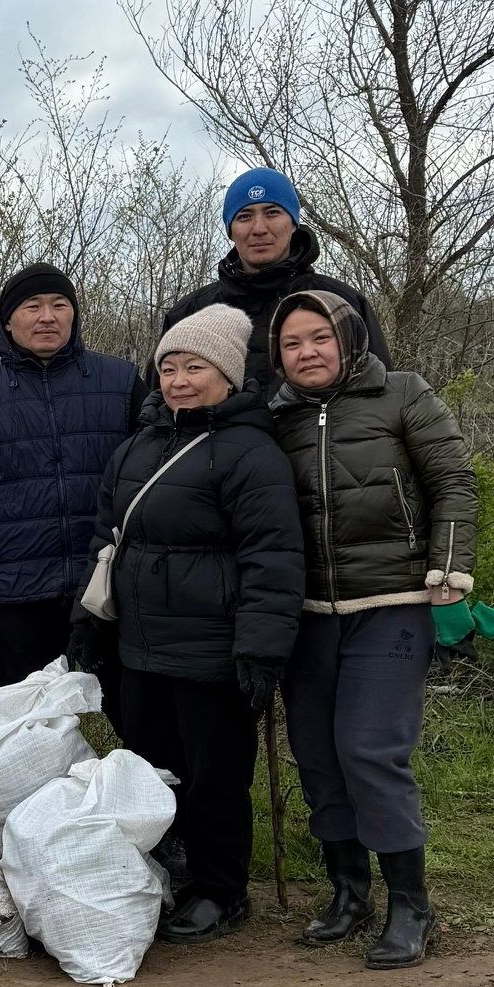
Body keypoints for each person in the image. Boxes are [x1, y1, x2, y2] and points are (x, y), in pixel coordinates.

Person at [69, 306, 304, 942]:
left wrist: (260, 648)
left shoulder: (251, 455)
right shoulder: (137, 446)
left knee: (215, 778)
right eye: (168, 366)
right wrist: (89, 622)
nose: (177, 379)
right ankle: (173, 871)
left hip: (212, 649)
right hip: (140, 646)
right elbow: (106, 537)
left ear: (227, 375)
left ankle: (221, 891)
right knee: (154, 769)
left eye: (194, 367)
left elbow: (273, 557)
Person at [268, 290, 475, 969]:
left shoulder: (403, 394)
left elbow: (450, 480)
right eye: (292, 343)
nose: (307, 352)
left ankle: (411, 904)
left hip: (392, 604)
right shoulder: (276, 418)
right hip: (308, 618)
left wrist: (448, 570)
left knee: (368, 750)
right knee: (320, 755)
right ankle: (347, 891)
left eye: (319, 338)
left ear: (348, 339)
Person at [0, 263, 142, 691]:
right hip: (14, 598)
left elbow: (152, 480)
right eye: (32, 306)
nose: (48, 316)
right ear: (8, 322)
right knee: (29, 733)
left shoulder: (121, 383)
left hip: (106, 588)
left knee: (139, 726)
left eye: (59, 305)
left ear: (74, 315)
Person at [158, 167, 389, 392]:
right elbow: (160, 407)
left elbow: (378, 391)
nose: (259, 228)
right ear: (230, 230)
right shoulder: (190, 313)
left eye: (272, 213)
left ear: (293, 223)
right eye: (244, 216)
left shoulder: (341, 302)